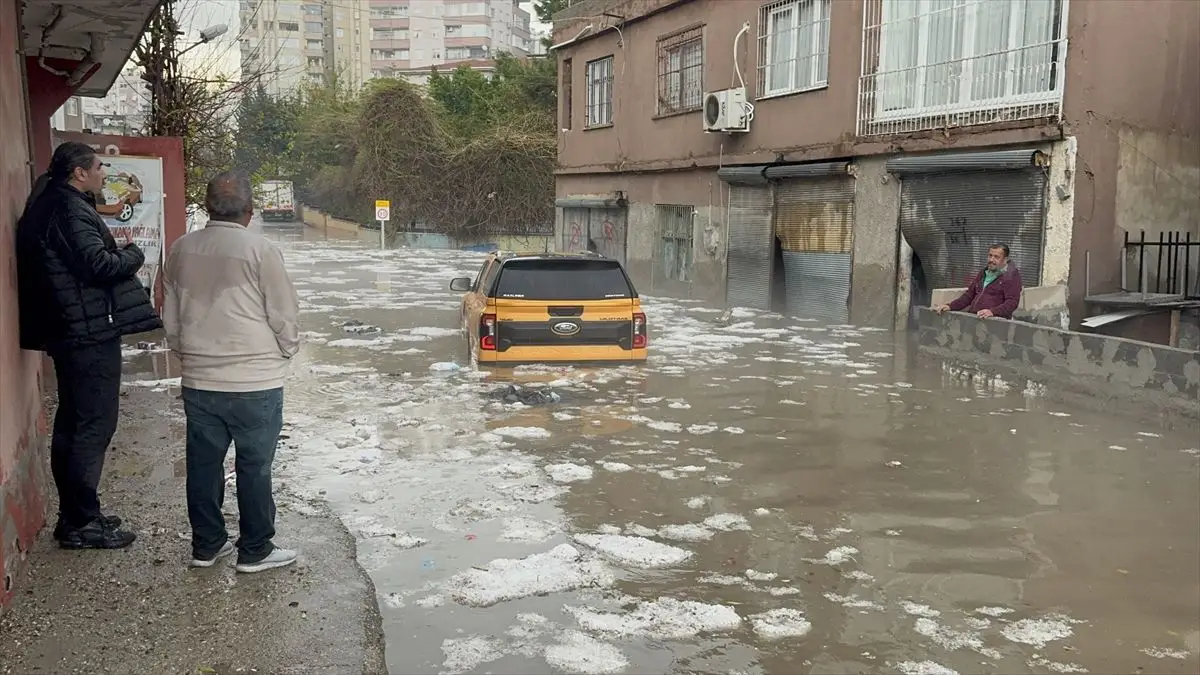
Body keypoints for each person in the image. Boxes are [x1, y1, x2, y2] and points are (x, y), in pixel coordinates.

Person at [16, 141, 161, 549]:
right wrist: (133, 253)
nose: (103, 173)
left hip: (74, 330)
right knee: (90, 426)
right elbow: (98, 264)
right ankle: (80, 523)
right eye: (98, 167)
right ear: (79, 172)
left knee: (76, 424)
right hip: (86, 334)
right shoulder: (68, 208)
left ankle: (81, 514)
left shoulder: (53, 203)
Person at [163, 170, 301, 573]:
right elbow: (284, 314)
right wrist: (284, 353)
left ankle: (207, 546)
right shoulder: (260, 250)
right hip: (255, 382)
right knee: (254, 467)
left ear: (208, 208)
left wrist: (185, 354)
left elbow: (169, 314)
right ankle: (255, 549)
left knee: (203, 465)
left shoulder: (181, 249)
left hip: (200, 380)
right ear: (250, 211)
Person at [934, 243, 1023, 319]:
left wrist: (992, 312)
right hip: (975, 319)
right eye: (990, 255)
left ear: (1005, 260)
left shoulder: (1011, 276)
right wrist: (950, 306)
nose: (991, 260)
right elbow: (969, 295)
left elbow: (1012, 302)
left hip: (996, 323)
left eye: (996, 257)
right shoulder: (983, 272)